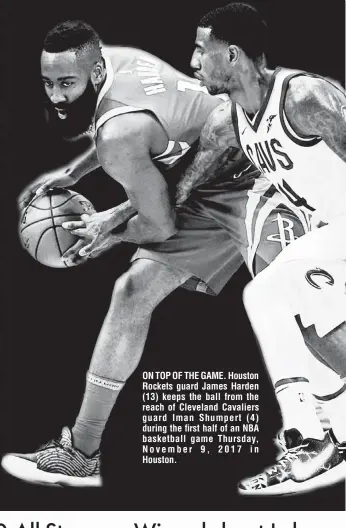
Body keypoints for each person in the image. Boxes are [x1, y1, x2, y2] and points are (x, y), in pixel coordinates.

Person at [3, 16, 336, 490]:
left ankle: (327, 432)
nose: (56, 96)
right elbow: (133, 140)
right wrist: (76, 174)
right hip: (196, 179)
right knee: (133, 291)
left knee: (305, 313)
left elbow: (152, 210)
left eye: (66, 84)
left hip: (253, 177)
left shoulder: (118, 134)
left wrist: (109, 232)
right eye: (48, 83)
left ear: (95, 74)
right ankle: (82, 451)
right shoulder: (113, 62)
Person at [159, 2, 346, 494]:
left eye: (202, 50)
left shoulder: (305, 97)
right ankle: (335, 439)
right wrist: (118, 218)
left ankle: (306, 435)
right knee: (303, 324)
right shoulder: (231, 121)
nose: (193, 61)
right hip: (326, 235)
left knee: (265, 294)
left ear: (233, 54)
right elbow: (182, 186)